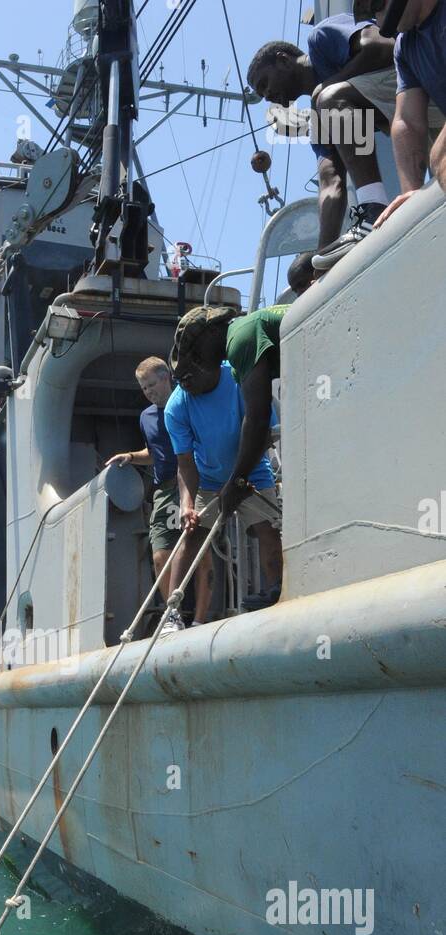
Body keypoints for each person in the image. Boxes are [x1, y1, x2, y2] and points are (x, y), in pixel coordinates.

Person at [247, 13, 406, 266]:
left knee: (329, 98)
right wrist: (322, 259)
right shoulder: (320, 115)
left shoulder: (321, 37)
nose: (267, 95)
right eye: (261, 94)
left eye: (264, 83)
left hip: (420, 81)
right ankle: (370, 214)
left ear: (284, 60)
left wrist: (328, 85)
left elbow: (383, 46)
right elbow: (330, 182)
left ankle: (373, 205)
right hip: (421, 117)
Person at [166, 307, 284, 625]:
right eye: (179, 379)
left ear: (209, 367)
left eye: (190, 375)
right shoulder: (176, 407)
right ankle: (172, 614)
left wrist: (238, 481)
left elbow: (262, 430)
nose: (184, 383)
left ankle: (279, 594)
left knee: (268, 529)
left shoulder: (237, 376)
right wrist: (188, 504)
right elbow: (185, 463)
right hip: (207, 479)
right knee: (189, 534)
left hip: (252, 470)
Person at [105, 357, 189, 632]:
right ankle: (174, 614)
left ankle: (199, 615)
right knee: (159, 554)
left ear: (167, 378)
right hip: (165, 487)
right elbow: (154, 454)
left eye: (152, 384)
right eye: (144, 388)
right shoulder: (147, 417)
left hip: (194, 481)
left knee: (198, 550)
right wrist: (130, 456)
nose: (149, 391)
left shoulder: (187, 402)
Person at [356, 0, 446, 224]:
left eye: (376, 3)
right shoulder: (404, 46)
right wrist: (412, 203)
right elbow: (407, 121)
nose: (377, 18)